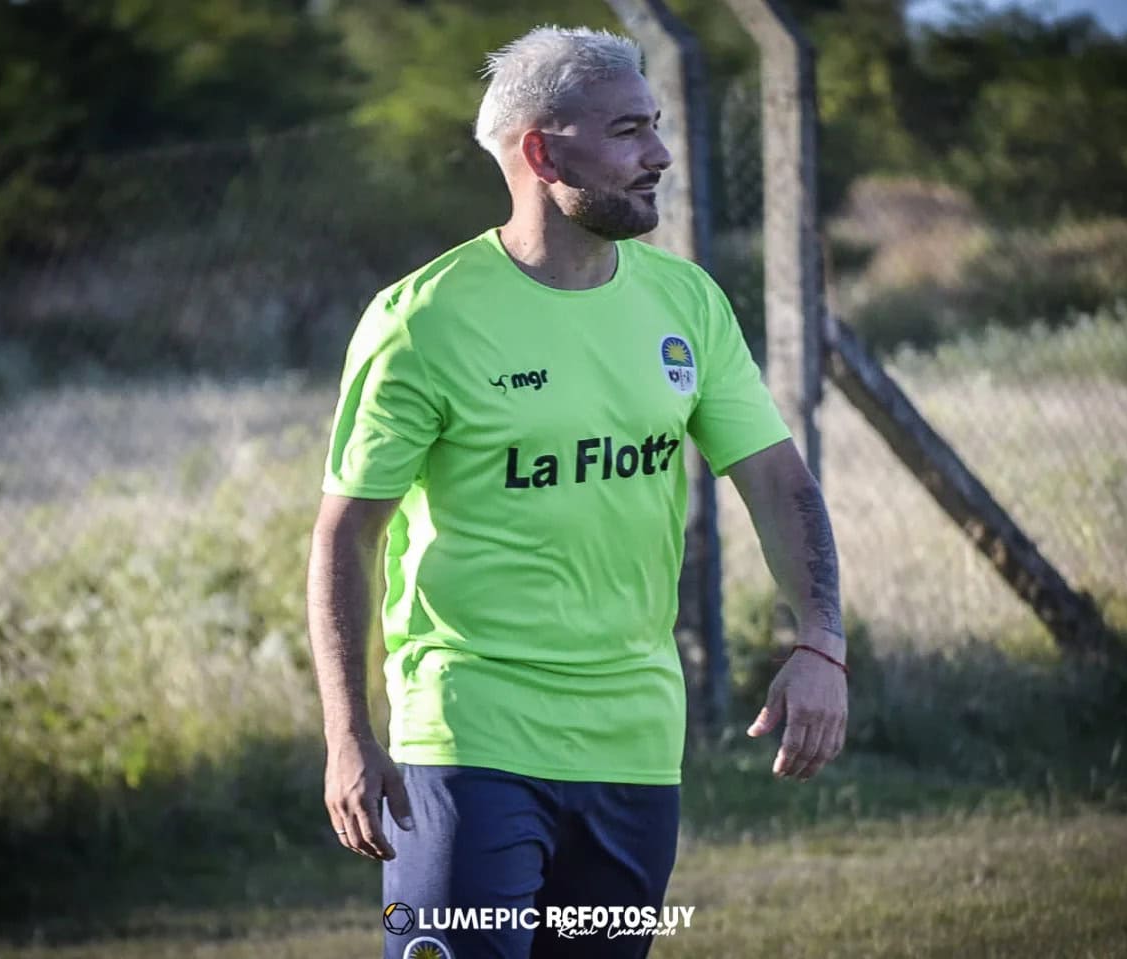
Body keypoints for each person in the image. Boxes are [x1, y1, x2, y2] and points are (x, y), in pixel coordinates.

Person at [307, 25, 847, 959]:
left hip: (633, 744)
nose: (660, 155)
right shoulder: (423, 320)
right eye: (630, 130)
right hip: (467, 734)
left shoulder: (687, 303)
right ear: (542, 150)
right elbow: (345, 536)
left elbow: (774, 480)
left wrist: (821, 641)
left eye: (658, 125)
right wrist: (348, 733)